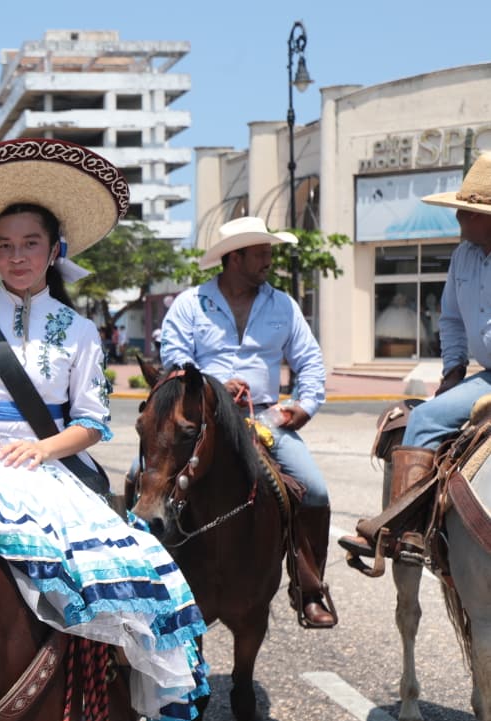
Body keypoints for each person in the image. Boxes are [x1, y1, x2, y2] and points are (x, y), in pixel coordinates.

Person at [0, 139, 208, 721]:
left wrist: (43, 449)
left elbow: (92, 423)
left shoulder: (80, 330)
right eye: (5, 246)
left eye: (30, 244)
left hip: (47, 464)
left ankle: (106, 685)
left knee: (130, 565)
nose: (16, 257)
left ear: (53, 251)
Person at [158, 215, 336, 628]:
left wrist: (303, 406)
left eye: (269, 253)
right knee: (140, 477)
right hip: (201, 421)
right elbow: (173, 362)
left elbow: (310, 362)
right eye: (261, 253)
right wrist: (215, 386)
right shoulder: (190, 304)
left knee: (316, 492)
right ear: (233, 258)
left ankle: (308, 587)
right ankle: (147, 583)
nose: (269, 261)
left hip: (268, 420)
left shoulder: (283, 305)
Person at [341, 153, 491, 563]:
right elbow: (453, 319)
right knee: (423, 418)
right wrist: (454, 370)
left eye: (469, 210)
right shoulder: (463, 256)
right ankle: (406, 531)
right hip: (487, 376)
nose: (460, 217)